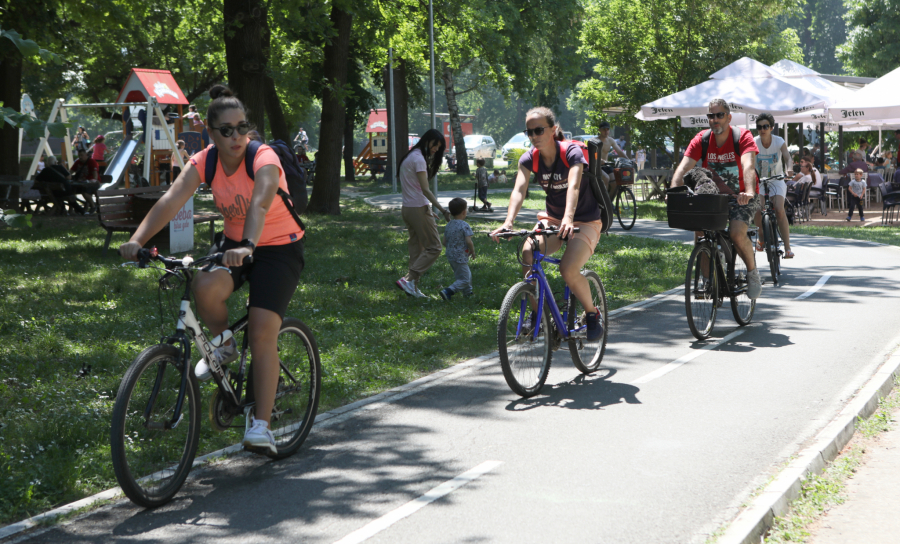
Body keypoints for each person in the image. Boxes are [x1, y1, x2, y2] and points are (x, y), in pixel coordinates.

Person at [119, 84, 306, 455]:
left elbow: (261, 203)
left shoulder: (262, 157)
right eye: (227, 130)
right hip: (235, 243)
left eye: (242, 127)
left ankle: (262, 425)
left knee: (263, 331)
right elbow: (171, 199)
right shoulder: (205, 161)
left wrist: (249, 246)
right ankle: (224, 345)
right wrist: (137, 241)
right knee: (204, 288)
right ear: (210, 132)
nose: (237, 136)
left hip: (278, 248)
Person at [489, 106, 604, 341]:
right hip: (552, 219)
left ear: (553, 129)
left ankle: (592, 314)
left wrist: (569, 219)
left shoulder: (571, 152)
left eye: (539, 130)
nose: (534, 137)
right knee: (528, 251)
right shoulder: (529, 158)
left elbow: (573, 186)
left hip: (585, 220)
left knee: (568, 269)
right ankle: (537, 316)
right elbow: (519, 190)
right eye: (529, 132)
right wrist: (508, 222)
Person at [669, 98, 762, 300]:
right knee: (701, 234)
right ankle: (708, 281)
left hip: (742, 196)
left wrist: (748, 190)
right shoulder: (701, 139)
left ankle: (753, 273)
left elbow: (748, 165)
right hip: (712, 197)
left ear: (729, 117)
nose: (715, 119)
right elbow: (683, 167)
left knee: (737, 233)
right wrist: (674, 192)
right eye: (711, 116)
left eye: (720, 115)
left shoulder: (742, 136)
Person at [395, 128, 452, 298]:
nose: (435, 149)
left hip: (408, 209)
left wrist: (426, 210)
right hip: (418, 208)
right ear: (427, 140)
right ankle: (409, 279)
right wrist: (442, 210)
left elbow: (415, 189)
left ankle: (412, 286)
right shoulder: (419, 160)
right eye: (435, 145)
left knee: (417, 249)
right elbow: (425, 190)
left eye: (439, 147)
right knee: (434, 247)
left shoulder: (410, 156)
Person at [752, 113, 794, 259]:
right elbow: (749, 162)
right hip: (760, 180)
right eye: (759, 127)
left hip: (777, 179)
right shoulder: (754, 142)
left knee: (779, 209)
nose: (762, 129)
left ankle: (788, 248)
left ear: (771, 127)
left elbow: (788, 158)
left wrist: (789, 168)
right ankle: (762, 237)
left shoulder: (779, 141)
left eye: (765, 126)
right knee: (758, 208)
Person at [439, 197, 475, 300]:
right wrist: (472, 250)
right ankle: (448, 291)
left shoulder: (449, 225)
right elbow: (468, 241)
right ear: (464, 212)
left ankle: (468, 293)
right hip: (460, 256)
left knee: (464, 274)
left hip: (450, 255)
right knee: (465, 278)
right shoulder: (465, 225)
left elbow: (444, 242)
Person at [597, 120, 628, 197]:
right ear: (599, 130)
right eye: (604, 129)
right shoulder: (595, 141)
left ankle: (609, 204)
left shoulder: (611, 140)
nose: (606, 131)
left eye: (607, 129)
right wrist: (600, 160)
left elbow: (619, 152)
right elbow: (593, 155)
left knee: (616, 183)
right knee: (606, 178)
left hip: (606, 166)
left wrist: (628, 160)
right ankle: (604, 203)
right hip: (597, 166)